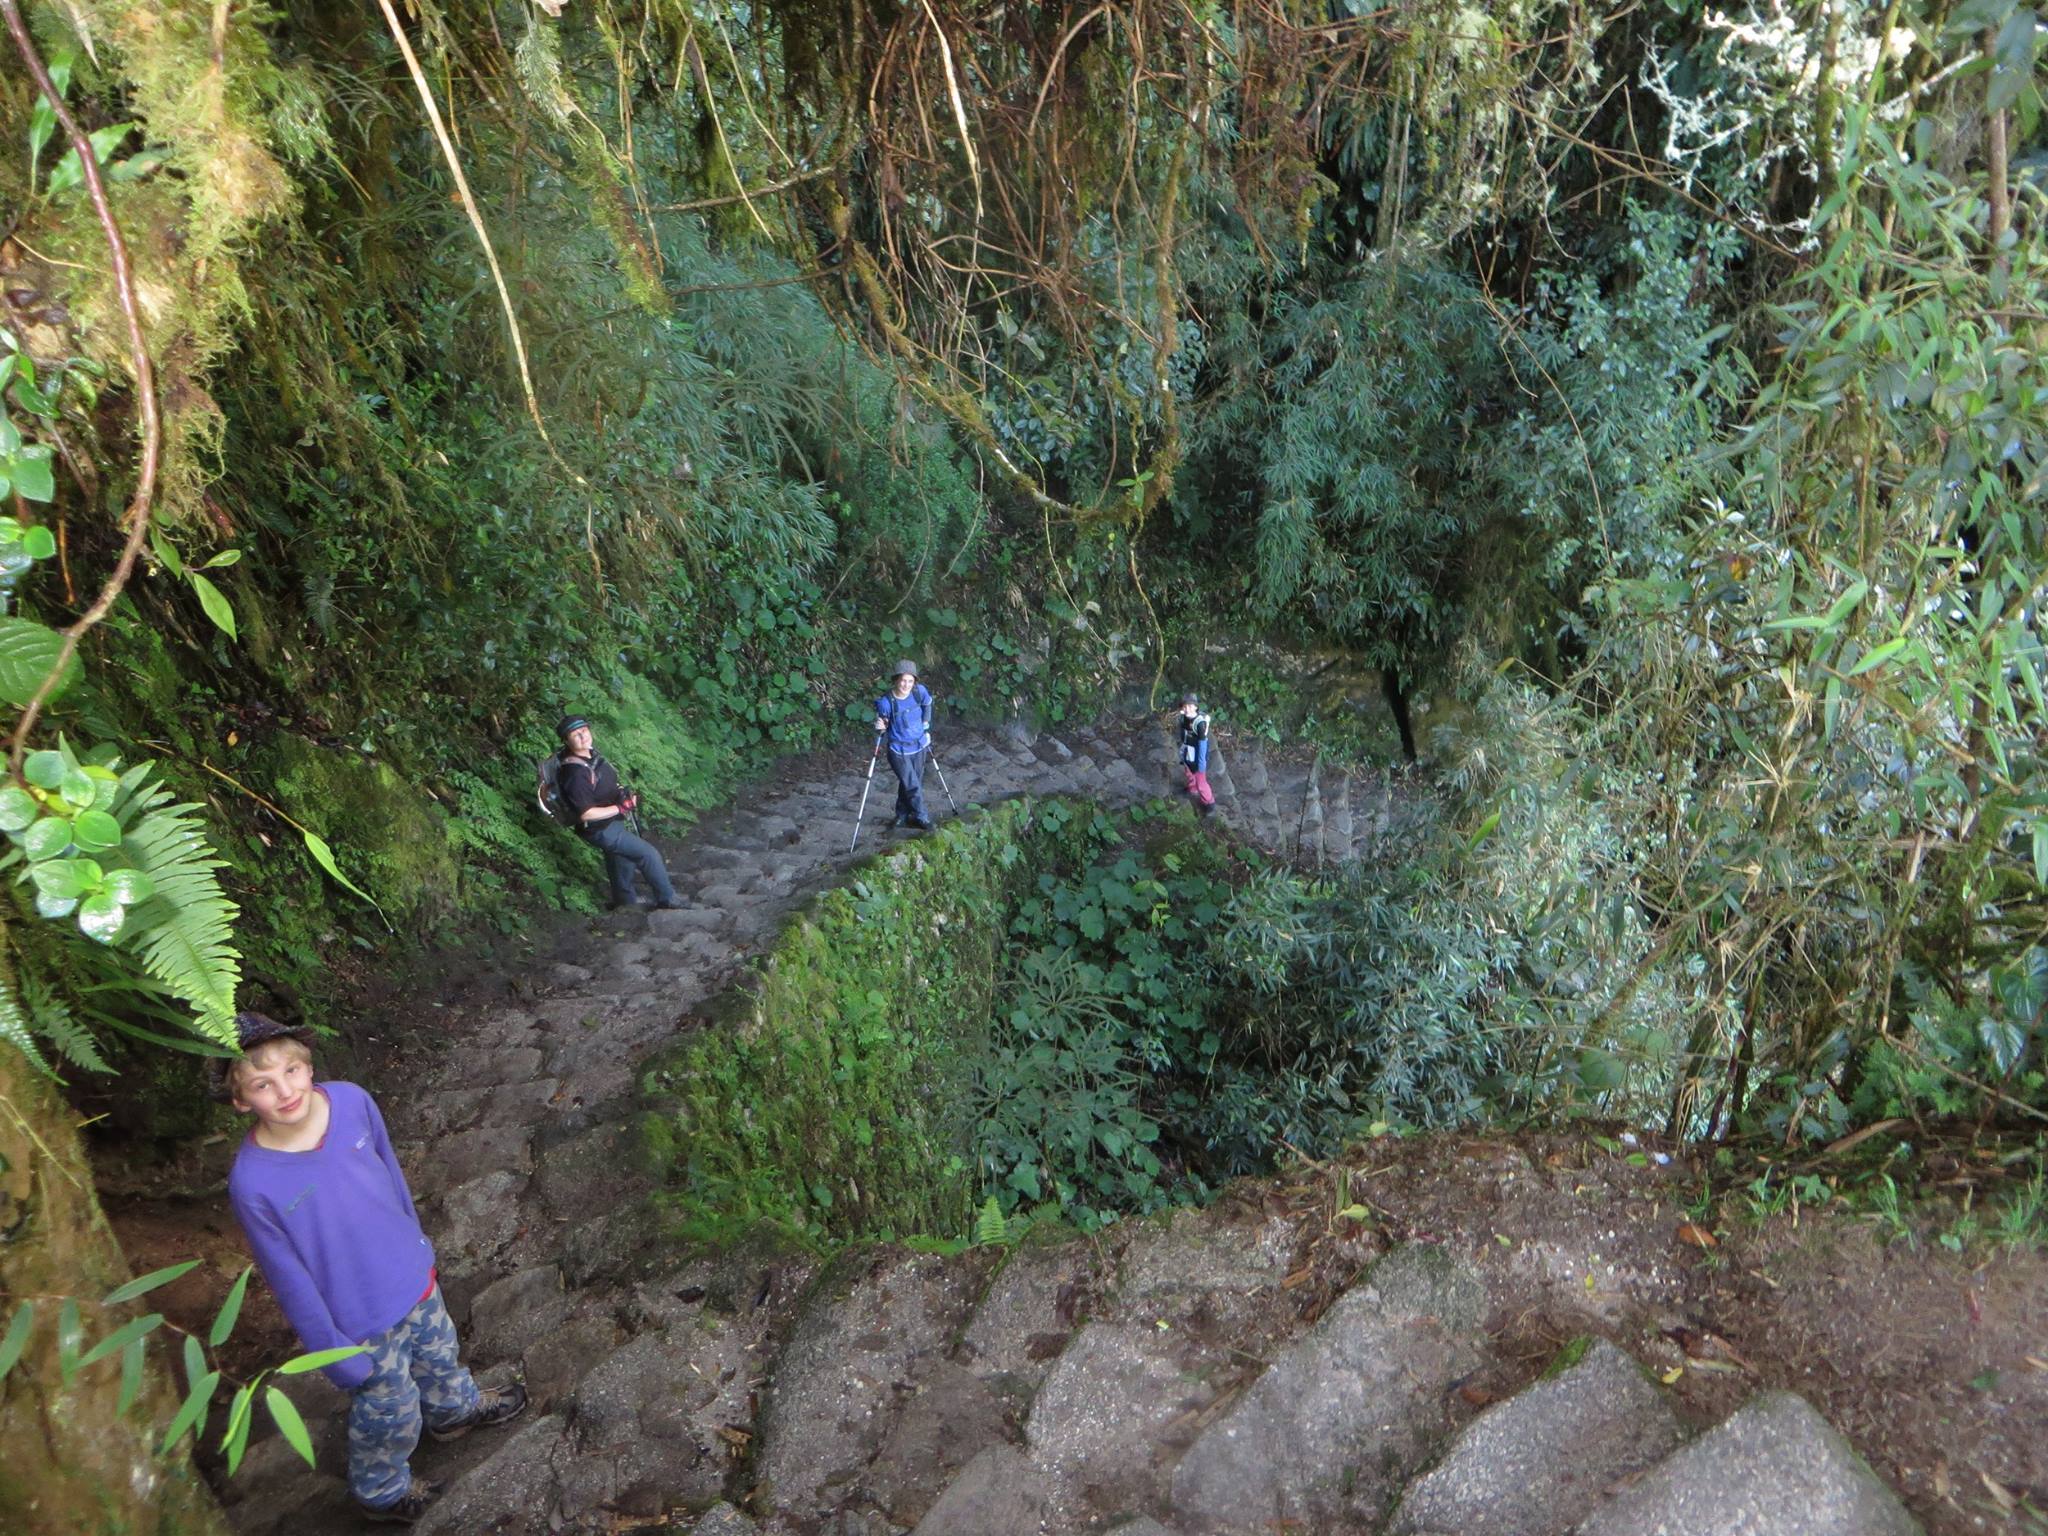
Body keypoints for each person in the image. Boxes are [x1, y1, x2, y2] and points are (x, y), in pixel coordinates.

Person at [218, 1012, 526, 1524]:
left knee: (440, 1351)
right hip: (357, 1320)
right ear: (240, 1100)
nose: (285, 1091)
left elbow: (390, 1172)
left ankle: (454, 1409)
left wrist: (418, 1244)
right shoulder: (254, 1183)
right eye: (262, 1085)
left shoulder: (352, 1102)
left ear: (308, 1065)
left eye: (292, 1071)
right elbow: (288, 1279)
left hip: (410, 1273)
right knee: (389, 1407)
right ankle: (381, 1488)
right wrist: (335, 1353)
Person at [554, 714, 681, 910]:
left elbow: (604, 782)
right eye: (575, 734)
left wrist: (620, 793)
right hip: (600, 829)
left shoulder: (590, 755)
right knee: (648, 854)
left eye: (584, 730)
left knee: (621, 856)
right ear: (566, 740)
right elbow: (586, 814)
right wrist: (620, 807)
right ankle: (668, 899)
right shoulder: (575, 773)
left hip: (610, 822)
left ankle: (624, 902)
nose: (582, 736)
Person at [874, 660, 937, 831]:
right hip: (898, 750)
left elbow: (927, 703)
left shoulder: (919, 692)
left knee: (909, 782)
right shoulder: (887, 702)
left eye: (910, 681)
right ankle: (921, 816)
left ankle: (902, 814)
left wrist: (926, 725)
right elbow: (884, 724)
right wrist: (880, 726)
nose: (906, 685)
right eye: (903, 680)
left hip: (919, 746)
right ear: (896, 679)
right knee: (913, 784)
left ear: (914, 681)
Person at [1177, 692, 1215, 816]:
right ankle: (1192, 788)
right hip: (1188, 749)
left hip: (1198, 752)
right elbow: (1183, 733)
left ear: (1195, 707)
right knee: (1188, 770)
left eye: (1189, 706)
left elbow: (1203, 744)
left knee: (1201, 781)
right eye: (1185, 706)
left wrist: (1201, 763)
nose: (1186, 709)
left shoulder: (1200, 723)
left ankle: (1209, 802)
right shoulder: (1183, 718)